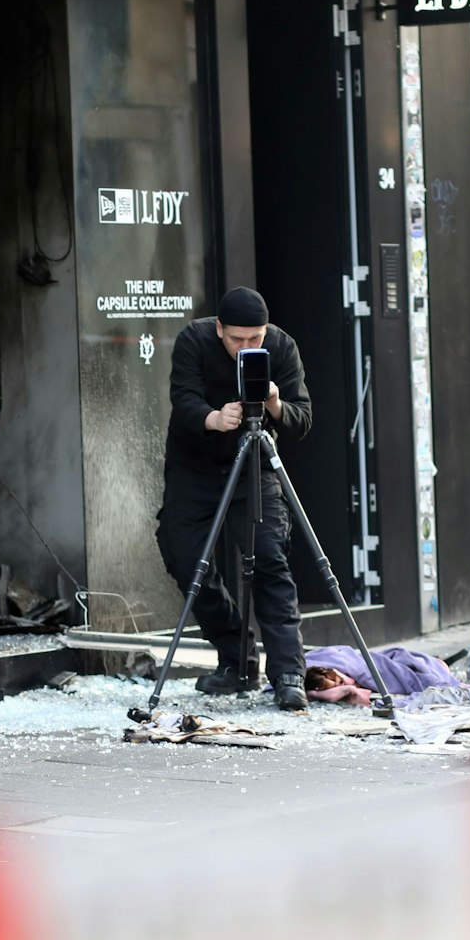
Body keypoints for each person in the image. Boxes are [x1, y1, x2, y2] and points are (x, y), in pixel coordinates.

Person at [156, 287, 313, 711]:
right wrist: (213, 418)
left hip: (254, 465)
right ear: (219, 328)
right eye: (237, 340)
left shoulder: (281, 347)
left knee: (269, 558)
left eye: (256, 339)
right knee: (184, 556)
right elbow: (183, 400)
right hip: (195, 465)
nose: (247, 348)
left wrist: (277, 405)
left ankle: (288, 674)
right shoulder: (195, 339)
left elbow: (302, 419)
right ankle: (238, 658)